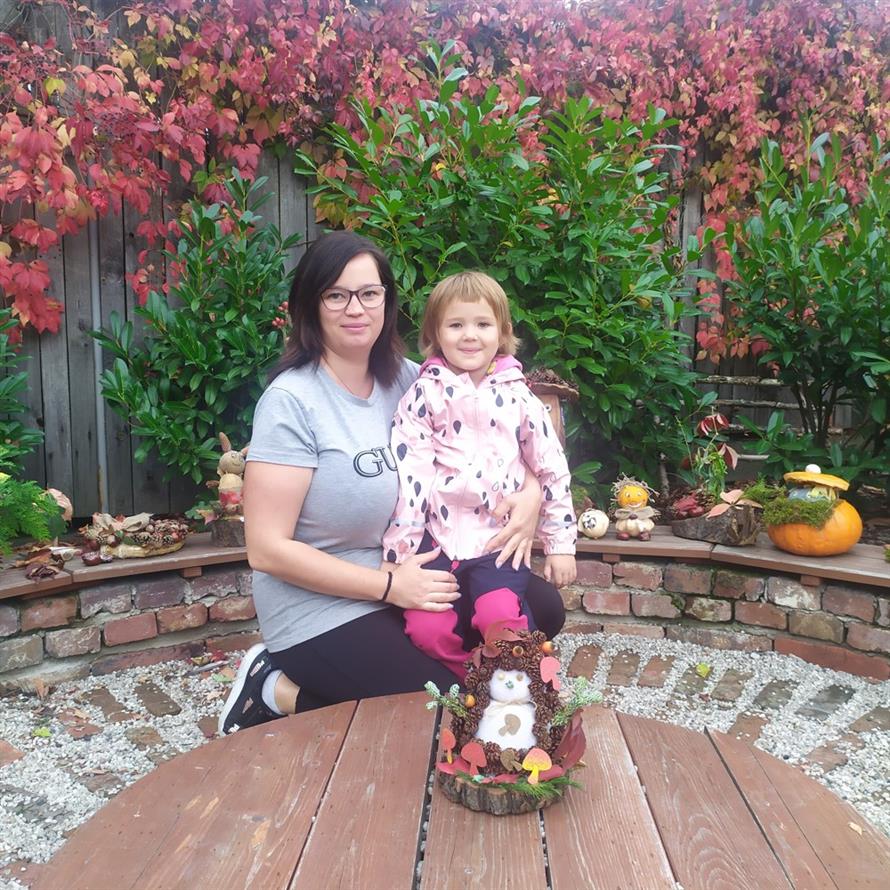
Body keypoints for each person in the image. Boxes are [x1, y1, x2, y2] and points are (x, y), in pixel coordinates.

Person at [218, 232, 566, 734]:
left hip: (414, 571)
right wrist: (389, 586)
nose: (354, 308)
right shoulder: (291, 403)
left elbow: (502, 435)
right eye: (336, 295)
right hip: (322, 604)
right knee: (450, 716)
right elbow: (266, 550)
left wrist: (531, 495)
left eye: (369, 293)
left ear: (387, 300)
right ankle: (272, 689)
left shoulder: (414, 379)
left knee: (542, 608)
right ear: (309, 305)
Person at [382, 271, 576, 678]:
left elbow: (551, 467)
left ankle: (522, 683)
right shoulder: (423, 394)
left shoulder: (519, 396)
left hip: (497, 540)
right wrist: (398, 553)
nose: (470, 335)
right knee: (427, 629)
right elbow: (412, 476)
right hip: (438, 541)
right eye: (456, 325)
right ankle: (472, 682)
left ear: (503, 332)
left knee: (499, 617)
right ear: (435, 333)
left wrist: (560, 545)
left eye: (483, 324)